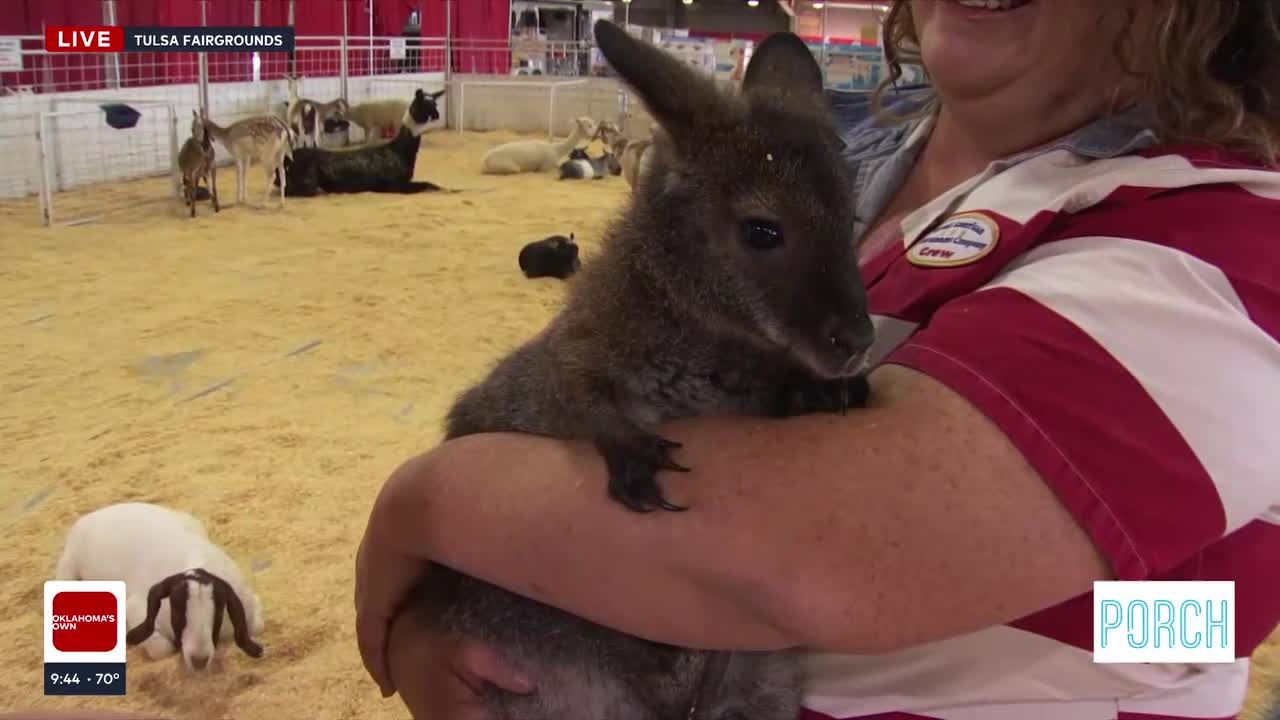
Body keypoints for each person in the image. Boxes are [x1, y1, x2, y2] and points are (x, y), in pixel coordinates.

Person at [355, 1, 1280, 719]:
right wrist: (475, 614)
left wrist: (426, 506)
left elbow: (810, 559)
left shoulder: (1214, 238)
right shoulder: (844, 163)